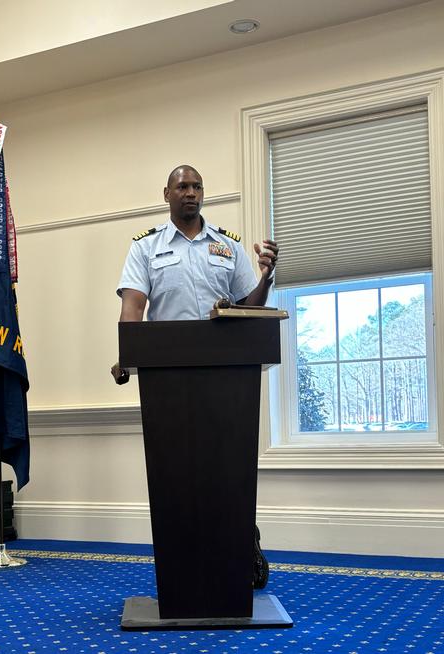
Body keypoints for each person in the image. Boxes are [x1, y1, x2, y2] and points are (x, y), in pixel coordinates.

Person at [111, 164, 279, 589]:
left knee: (224, 470)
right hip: (168, 380)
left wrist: (266, 277)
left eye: (197, 186)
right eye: (182, 186)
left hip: (227, 378)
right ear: (166, 193)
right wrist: (127, 356)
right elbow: (133, 307)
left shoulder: (227, 246)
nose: (190, 192)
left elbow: (250, 307)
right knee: (176, 476)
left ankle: (240, 544)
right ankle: (183, 571)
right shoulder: (146, 248)